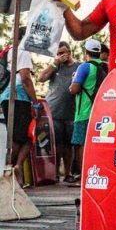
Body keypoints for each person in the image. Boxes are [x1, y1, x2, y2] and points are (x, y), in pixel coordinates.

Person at [0, 26, 40, 186]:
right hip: (19, 96)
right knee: (26, 136)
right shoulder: (23, 51)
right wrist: (35, 102)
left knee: (19, 136)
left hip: (6, 95)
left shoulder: (8, 50)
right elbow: (25, 79)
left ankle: (13, 167)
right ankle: (12, 168)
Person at [37, 41, 80, 182]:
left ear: (69, 52)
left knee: (68, 145)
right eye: (58, 53)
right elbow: (40, 78)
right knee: (55, 145)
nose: (60, 56)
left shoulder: (78, 66)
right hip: (53, 112)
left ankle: (67, 174)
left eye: (63, 53)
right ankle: (54, 174)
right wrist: (55, 63)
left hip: (71, 113)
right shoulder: (55, 67)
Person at [69, 39, 106, 179]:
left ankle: (85, 176)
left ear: (86, 53)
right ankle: (95, 174)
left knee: (82, 144)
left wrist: (72, 83)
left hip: (84, 112)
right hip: (101, 114)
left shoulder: (84, 67)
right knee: (96, 145)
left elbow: (74, 89)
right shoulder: (105, 67)